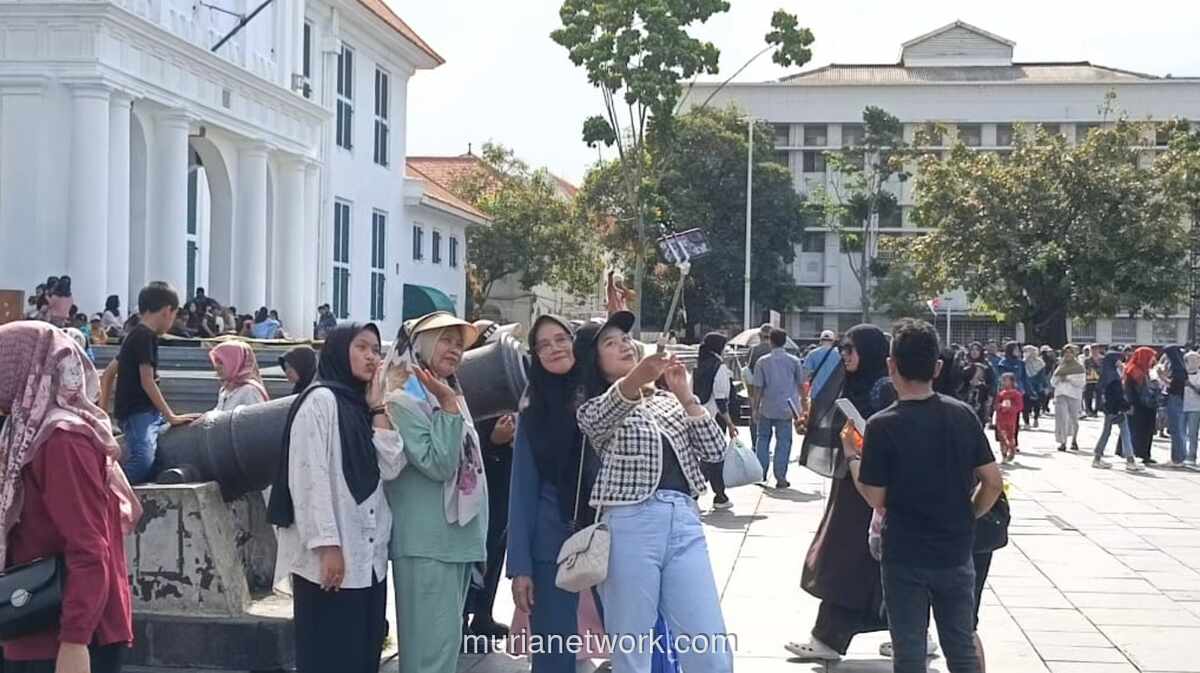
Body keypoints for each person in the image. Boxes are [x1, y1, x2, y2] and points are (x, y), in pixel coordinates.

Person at [574, 310, 731, 673]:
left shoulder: (666, 401)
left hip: (684, 520)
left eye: (625, 339)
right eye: (610, 343)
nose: (624, 346)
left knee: (708, 645)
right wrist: (636, 378)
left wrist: (685, 395)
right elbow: (596, 421)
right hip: (629, 522)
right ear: (594, 360)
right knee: (632, 649)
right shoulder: (595, 405)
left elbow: (714, 451)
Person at [849, 318, 1002, 673]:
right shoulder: (962, 415)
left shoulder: (882, 424)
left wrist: (853, 458)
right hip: (955, 548)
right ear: (936, 368)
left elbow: (875, 498)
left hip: (905, 552)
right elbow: (992, 481)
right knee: (960, 647)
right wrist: (970, 514)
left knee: (909, 653)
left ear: (891, 366)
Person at [0, 321, 141, 673]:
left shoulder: (62, 440)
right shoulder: (27, 429)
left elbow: (89, 546)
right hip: (30, 620)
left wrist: (75, 641)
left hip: (58, 635)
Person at [267, 322, 405, 673]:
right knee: (329, 655)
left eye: (376, 350)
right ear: (340, 351)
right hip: (331, 560)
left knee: (362, 654)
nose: (371, 356)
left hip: (368, 559)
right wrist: (327, 545)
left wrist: (378, 407)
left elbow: (391, 466)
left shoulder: (361, 405)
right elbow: (308, 478)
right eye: (362, 347)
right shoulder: (320, 401)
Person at [384, 312, 487, 673]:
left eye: (459, 344)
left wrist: (447, 401)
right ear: (421, 344)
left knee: (442, 653)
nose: (455, 349)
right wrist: (448, 406)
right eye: (445, 340)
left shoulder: (440, 390)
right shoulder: (403, 397)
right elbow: (439, 463)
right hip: (427, 543)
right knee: (430, 657)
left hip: (451, 540)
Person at [787, 324, 897, 663]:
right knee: (867, 562)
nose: (845, 356)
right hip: (853, 483)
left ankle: (829, 637)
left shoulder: (883, 390)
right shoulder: (858, 384)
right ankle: (911, 633)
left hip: (870, 490)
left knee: (846, 559)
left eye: (851, 349)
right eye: (842, 349)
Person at [507, 315, 600, 672]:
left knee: (633, 644)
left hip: (611, 535)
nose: (554, 349)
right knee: (553, 654)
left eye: (561, 339)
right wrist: (520, 567)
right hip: (552, 544)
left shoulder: (599, 393)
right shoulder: (533, 409)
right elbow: (522, 490)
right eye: (543, 345)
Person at [111, 283, 200, 484]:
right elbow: (147, 380)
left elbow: (108, 374)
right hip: (138, 413)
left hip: (145, 413)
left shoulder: (135, 335)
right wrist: (171, 416)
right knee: (143, 461)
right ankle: (109, 491)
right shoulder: (145, 337)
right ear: (167, 311)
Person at [751, 328, 806, 489]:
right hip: (787, 407)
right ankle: (780, 477)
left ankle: (760, 474)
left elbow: (758, 387)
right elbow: (801, 384)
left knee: (762, 439)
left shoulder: (762, 361)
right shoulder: (794, 361)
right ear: (785, 341)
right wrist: (804, 405)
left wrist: (755, 408)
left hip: (767, 406)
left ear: (770, 341)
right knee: (784, 442)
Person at [694, 332, 739, 511]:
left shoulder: (699, 365)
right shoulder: (719, 367)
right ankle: (699, 493)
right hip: (715, 418)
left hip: (698, 415)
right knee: (714, 457)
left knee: (710, 456)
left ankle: (717, 495)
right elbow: (721, 400)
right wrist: (730, 423)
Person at [1093, 351, 1140, 471]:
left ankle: (1097, 457)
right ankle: (1130, 460)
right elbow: (1117, 396)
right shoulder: (1114, 377)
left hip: (1108, 409)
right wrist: (1126, 407)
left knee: (1106, 432)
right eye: (1118, 359)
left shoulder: (1105, 374)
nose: (1120, 361)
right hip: (1117, 409)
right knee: (1125, 432)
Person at [208, 340, 269, 412]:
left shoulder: (249, 391)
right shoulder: (225, 389)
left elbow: (256, 416)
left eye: (221, 362)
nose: (217, 367)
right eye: (216, 362)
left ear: (236, 362)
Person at [1126, 347, 1160, 465]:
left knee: (1147, 431)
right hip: (1138, 406)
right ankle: (1135, 453)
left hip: (1148, 406)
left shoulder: (1147, 370)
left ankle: (1145, 454)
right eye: (1150, 357)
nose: (1153, 360)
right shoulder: (1133, 370)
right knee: (1137, 430)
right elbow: (1130, 390)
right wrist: (1130, 404)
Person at [1051, 344, 1085, 452]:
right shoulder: (1060, 367)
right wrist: (1059, 379)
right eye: (1066, 353)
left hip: (1074, 395)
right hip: (1061, 394)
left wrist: (1069, 379)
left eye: (1070, 352)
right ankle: (1063, 442)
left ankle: (1074, 440)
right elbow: (1052, 382)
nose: (1068, 355)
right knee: (1062, 419)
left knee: (1074, 419)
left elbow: (1081, 383)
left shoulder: (1079, 367)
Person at [1160, 346, 1188, 467]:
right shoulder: (1180, 366)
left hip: (1175, 398)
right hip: (1178, 399)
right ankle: (1179, 457)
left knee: (1176, 428)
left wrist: (1163, 377)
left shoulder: (1177, 369)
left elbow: (1175, 385)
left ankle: (1177, 458)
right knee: (1178, 429)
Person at [803, 330, 842, 401]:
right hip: (834, 393)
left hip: (817, 393)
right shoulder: (840, 354)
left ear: (820, 341)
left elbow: (805, 375)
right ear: (833, 341)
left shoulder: (812, 354)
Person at [994, 374, 1024, 464]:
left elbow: (1019, 406)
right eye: (1003, 380)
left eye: (1006, 380)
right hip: (1000, 419)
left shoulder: (1016, 394)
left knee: (1010, 436)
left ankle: (1012, 450)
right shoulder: (1000, 394)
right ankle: (1003, 455)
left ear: (1012, 382)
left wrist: (1010, 408)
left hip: (1010, 419)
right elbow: (995, 405)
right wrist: (1000, 407)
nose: (1004, 382)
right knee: (1001, 437)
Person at [1184, 351, 1200, 470]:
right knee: (1181, 433)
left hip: (1195, 407)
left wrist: (1191, 385)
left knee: (1192, 433)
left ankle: (1191, 456)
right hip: (1182, 406)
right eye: (1189, 360)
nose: (1192, 363)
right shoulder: (1182, 374)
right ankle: (1181, 455)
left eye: (1195, 360)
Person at [1021, 345, 1045, 429]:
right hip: (1026, 386)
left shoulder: (1040, 362)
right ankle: (1026, 423)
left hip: (1036, 386)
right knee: (1025, 406)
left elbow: (1042, 375)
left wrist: (1043, 385)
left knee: (1037, 404)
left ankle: (1036, 419)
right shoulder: (1023, 363)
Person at [1083, 345, 1103, 417]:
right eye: (1093, 349)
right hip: (1089, 380)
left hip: (1099, 379)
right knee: (1088, 396)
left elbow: (1103, 369)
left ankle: (1096, 410)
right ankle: (1089, 410)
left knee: (1098, 396)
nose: (1095, 351)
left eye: (1096, 349)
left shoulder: (1102, 359)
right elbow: (1085, 369)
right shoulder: (1087, 360)